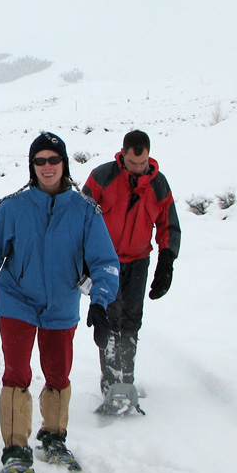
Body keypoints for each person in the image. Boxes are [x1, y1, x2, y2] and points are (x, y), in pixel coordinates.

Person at [0, 131, 119, 473]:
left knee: (58, 373)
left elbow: (105, 262)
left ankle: (54, 436)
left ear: (64, 164)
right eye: (40, 161)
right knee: (17, 372)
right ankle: (16, 451)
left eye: (53, 160)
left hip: (62, 303)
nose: (47, 167)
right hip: (17, 300)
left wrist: (100, 303)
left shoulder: (85, 211)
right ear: (32, 167)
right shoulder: (13, 209)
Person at [82, 129, 181, 413]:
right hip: (106, 260)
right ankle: (111, 382)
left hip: (139, 260)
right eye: (134, 163)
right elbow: (80, 217)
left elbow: (168, 224)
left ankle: (128, 378)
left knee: (131, 319)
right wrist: (84, 260)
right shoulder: (102, 176)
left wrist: (167, 260)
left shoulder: (159, 184)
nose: (139, 169)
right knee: (109, 318)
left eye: (144, 163)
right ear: (123, 154)